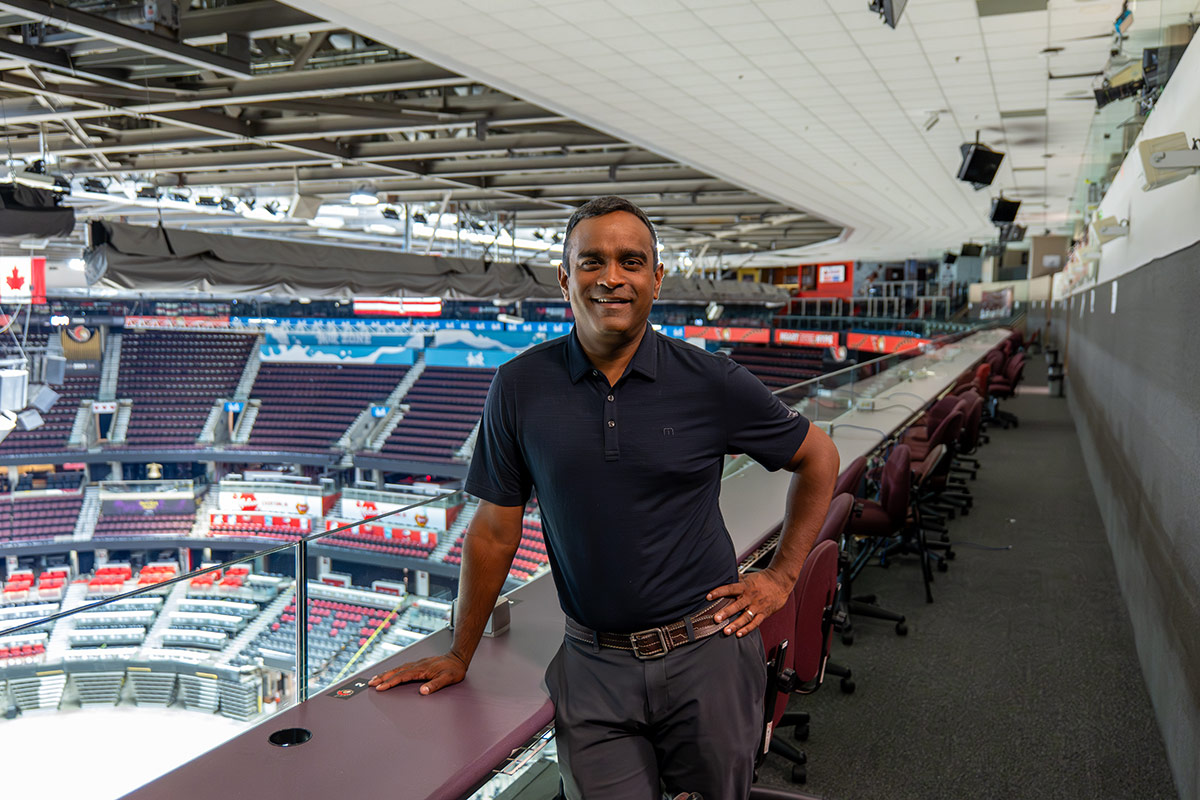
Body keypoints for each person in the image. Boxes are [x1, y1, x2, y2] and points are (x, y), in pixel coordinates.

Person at [369, 196, 840, 800]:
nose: (611, 277)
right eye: (592, 262)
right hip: (592, 665)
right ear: (565, 278)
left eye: (631, 261)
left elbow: (817, 456)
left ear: (656, 278)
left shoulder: (710, 380)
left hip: (708, 655)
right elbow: (493, 531)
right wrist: (461, 652)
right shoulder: (517, 387)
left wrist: (781, 577)